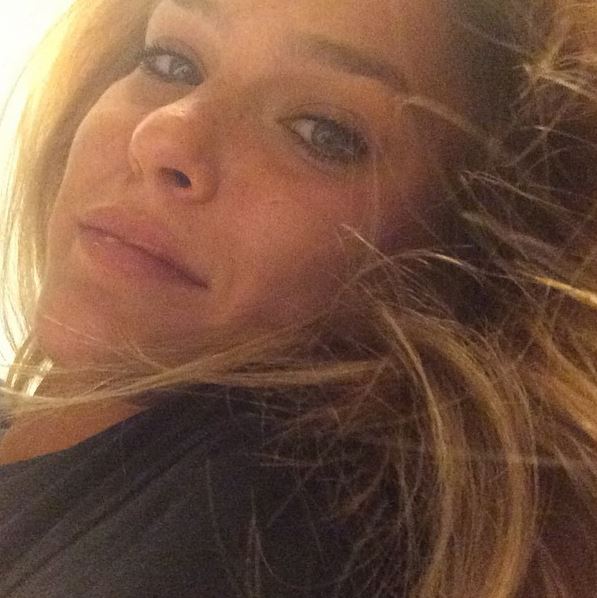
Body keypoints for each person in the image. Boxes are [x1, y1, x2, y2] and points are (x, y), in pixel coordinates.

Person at [0, 0, 596, 595]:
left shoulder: (260, 522)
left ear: (466, 259)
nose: (161, 135)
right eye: (172, 62)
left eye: (321, 133)